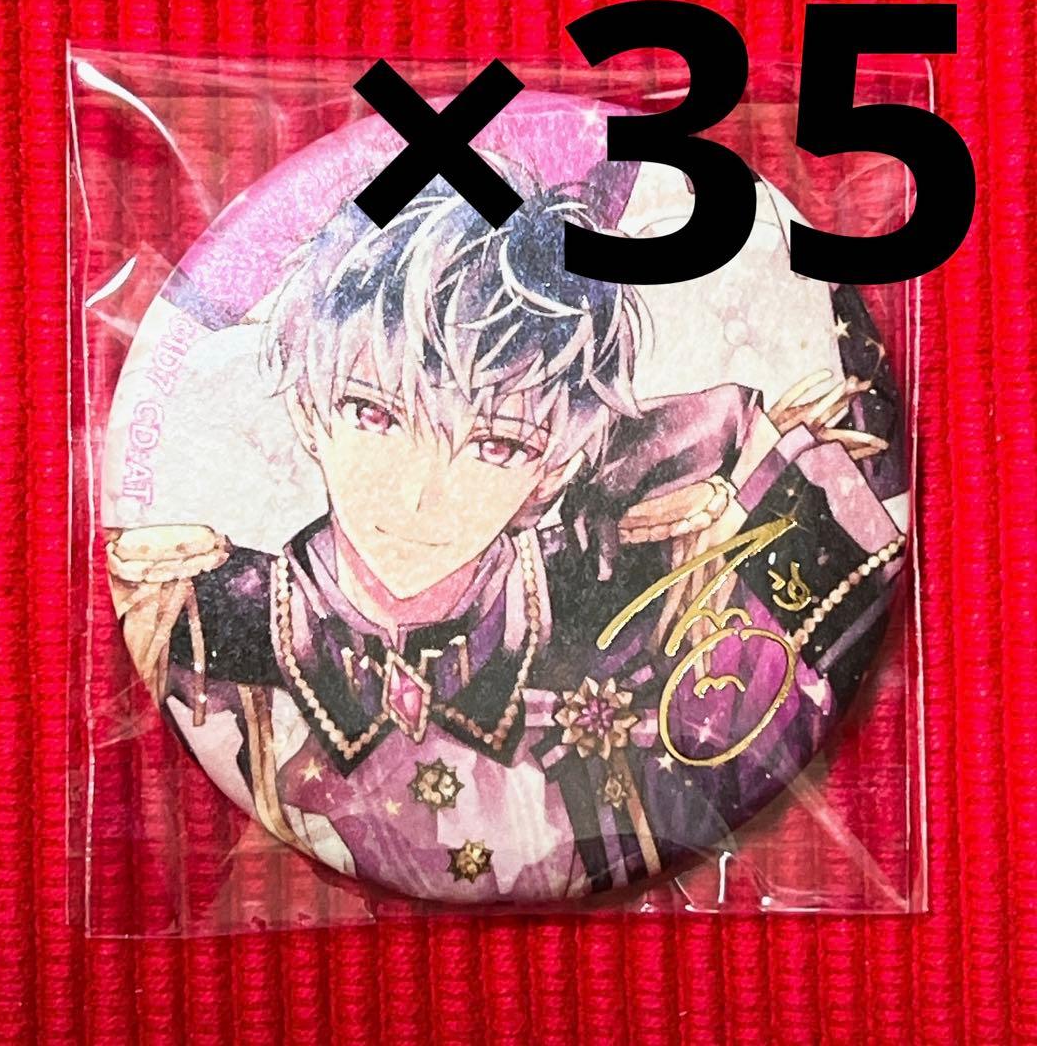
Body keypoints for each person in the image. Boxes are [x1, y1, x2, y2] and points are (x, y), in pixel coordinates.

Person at [107, 173, 906, 902]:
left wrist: (709, 455)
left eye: (497, 445)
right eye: (373, 414)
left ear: (555, 468)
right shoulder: (207, 627)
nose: (422, 496)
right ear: (310, 409)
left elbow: (843, 583)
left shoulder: (620, 594)